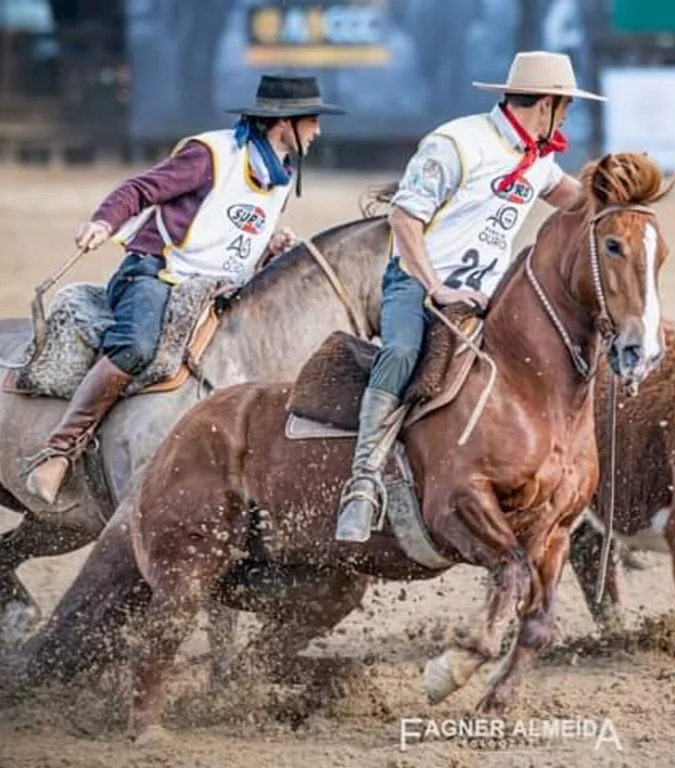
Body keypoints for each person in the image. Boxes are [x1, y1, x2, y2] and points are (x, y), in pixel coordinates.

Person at [24, 74, 345, 505]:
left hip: (216, 288)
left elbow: (233, 239)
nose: (318, 131)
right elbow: (139, 189)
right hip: (154, 272)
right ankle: (59, 452)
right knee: (135, 346)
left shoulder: (279, 176)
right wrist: (104, 220)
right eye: (312, 121)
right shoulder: (210, 154)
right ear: (284, 123)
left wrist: (269, 248)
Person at [335, 50, 606, 542]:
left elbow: (578, 200)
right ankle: (363, 481)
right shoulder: (455, 143)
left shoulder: (540, 160)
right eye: (564, 106)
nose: (566, 116)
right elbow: (404, 218)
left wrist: (621, 196)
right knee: (400, 353)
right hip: (416, 286)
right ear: (544, 105)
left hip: (489, 299)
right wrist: (436, 287)